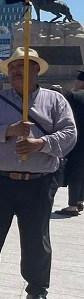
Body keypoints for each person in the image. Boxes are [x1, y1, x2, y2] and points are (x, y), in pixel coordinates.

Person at [0, 48, 76, 299]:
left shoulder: (55, 100)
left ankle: (37, 290)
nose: (16, 70)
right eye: (12, 67)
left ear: (36, 69)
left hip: (38, 182)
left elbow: (70, 133)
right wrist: (8, 130)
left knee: (37, 239)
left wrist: (41, 144)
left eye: (23, 65)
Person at [58, 71, 84, 216]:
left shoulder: (74, 96)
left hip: (77, 140)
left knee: (75, 170)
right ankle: (80, 200)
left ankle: (73, 205)